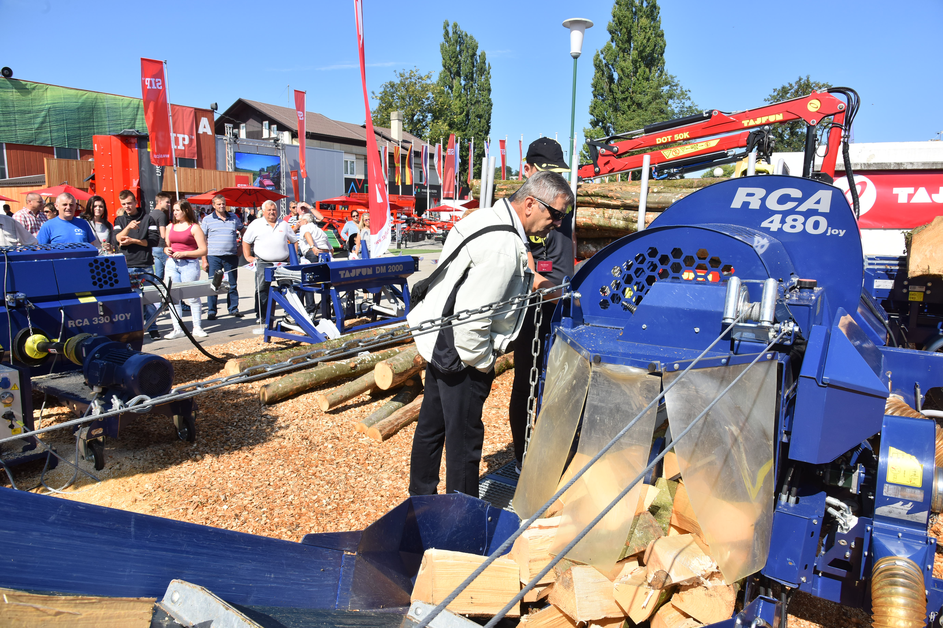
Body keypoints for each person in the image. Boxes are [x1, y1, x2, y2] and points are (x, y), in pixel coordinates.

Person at [407, 171, 574, 497]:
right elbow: (472, 325)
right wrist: (484, 364)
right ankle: (462, 516)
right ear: (530, 204)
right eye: (555, 214)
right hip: (462, 353)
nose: (556, 224)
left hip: (439, 336)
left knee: (431, 426)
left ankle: (420, 501)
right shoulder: (504, 248)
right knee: (465, 443)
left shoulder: (482, 218)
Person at [507, 138, 576, 471]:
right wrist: (542, 285)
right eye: (547, 171)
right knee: (527, 381)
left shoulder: (563, 202)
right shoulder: (521, 207)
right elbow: (522, 261)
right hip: (536, 303)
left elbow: (569, 241)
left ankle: (555, 450)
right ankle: (522, 457)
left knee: (561, 380)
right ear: (528, 169)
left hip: (563, 298)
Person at [242, 199, 298, 325]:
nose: (272, 212)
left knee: (287, 287)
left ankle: (290, 314)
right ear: (263, 211)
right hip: (263, 262)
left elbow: (294, 240)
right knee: (262, 288)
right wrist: (248, 256)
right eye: (269, 210)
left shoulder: (283, 224)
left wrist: (292, 256)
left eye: (274, 210)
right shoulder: (256, 224)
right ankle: (262, 315)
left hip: (282, 262)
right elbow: (246, 241)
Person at [164, 201, 209, 339]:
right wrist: (166, 250)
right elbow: (167, 245)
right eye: (174, 210)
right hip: (172, 264)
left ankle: (197, 327)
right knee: (173, 297)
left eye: (178, 210)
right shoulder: (170, 226)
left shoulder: (194, 227)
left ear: (186, 210)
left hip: (189, 264)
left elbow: (203, 250)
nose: (175, 213)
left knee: (192, 296)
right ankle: (177, 328)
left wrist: (185, 253)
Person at [201, 195, 244, 320]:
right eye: (219, 204)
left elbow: (243, 231)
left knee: (232, 284)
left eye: (223, 203)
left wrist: (241, 246)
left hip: (231, 256)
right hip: (214, 256)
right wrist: (204, 259)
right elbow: (202, 239)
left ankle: (233, 309)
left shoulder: (233, 217)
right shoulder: (207, 220)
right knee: (214, 284)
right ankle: (212, 311)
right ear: (213, 205)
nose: (222, 206)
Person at [114, 190, 160, 273]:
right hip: (126, 264)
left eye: (129, 203)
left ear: (136, 202)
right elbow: (117, 239)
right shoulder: (119, 220)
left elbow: (154, 241)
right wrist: (128, 228)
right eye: (123, 204)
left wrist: (133, 241)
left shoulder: (148, 219)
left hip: (144, 265)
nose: (126, 206)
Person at [151, 192, 172, 282]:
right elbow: (163, 234)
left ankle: (157, 289)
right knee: (170, 272)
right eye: (167, 202)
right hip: (161, 246)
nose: (169, 204)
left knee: (158, 276)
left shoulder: (151, 214)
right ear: (160, 201)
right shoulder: (161, 215)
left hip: (154, 247)